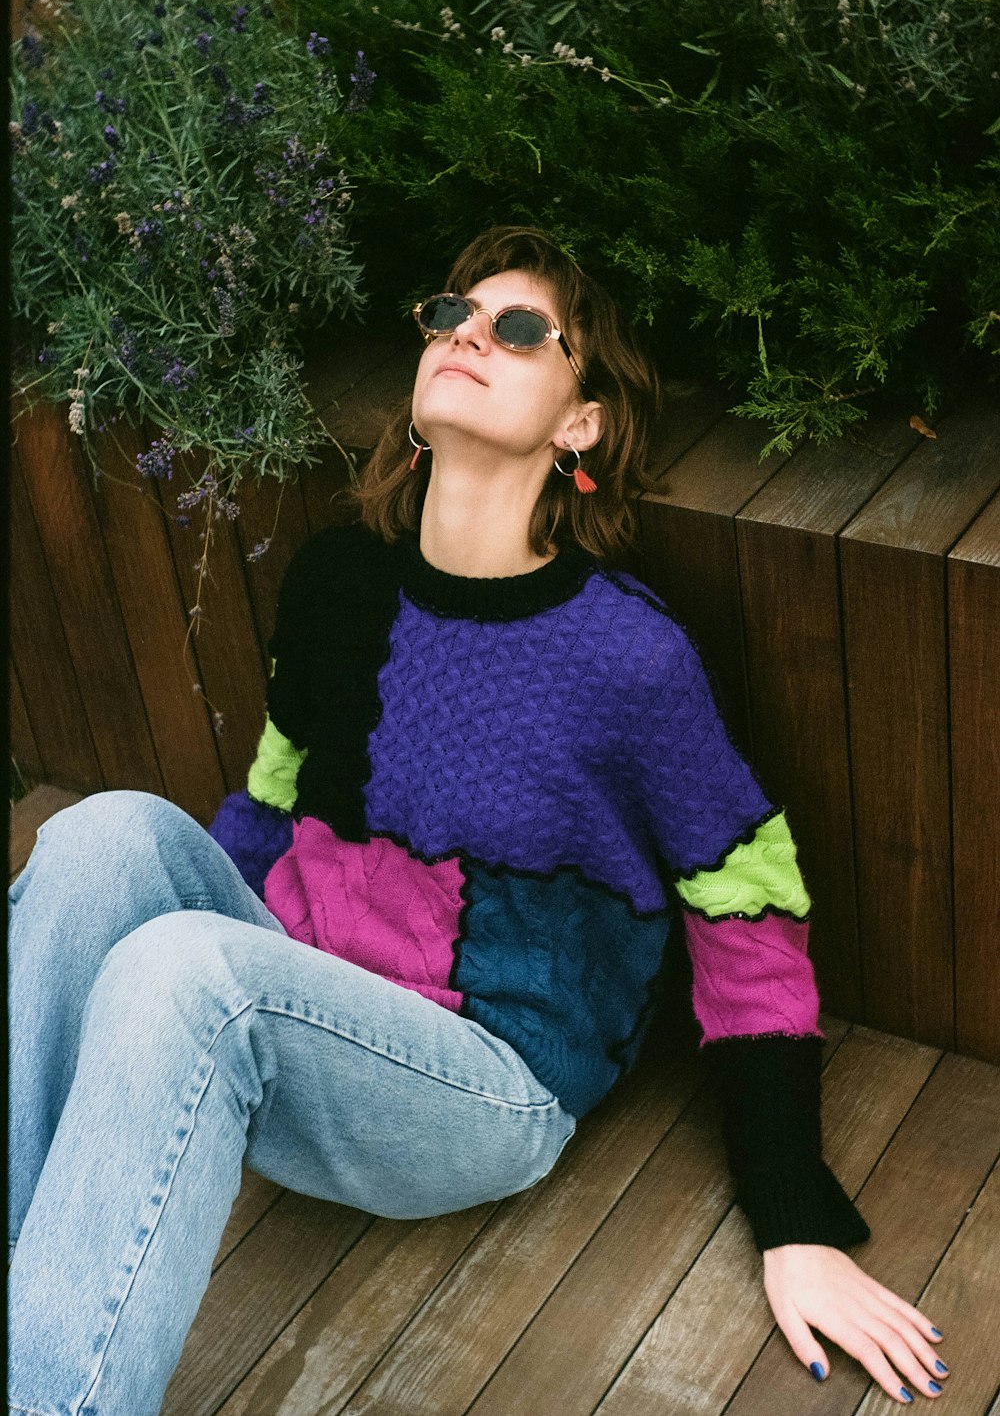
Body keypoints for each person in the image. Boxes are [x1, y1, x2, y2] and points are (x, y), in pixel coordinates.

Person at [8, 225, 950, 1413]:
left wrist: (793, 1213)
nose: (466, 331)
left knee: (184, 969)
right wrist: (220, 937)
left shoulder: (627, 657)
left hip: (479, 1078)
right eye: (451, 310)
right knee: (105, 834)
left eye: (515, 329)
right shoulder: (341, 581)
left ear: (579, 423)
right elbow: (274, 793)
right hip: (293, 1009)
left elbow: (746, 903)